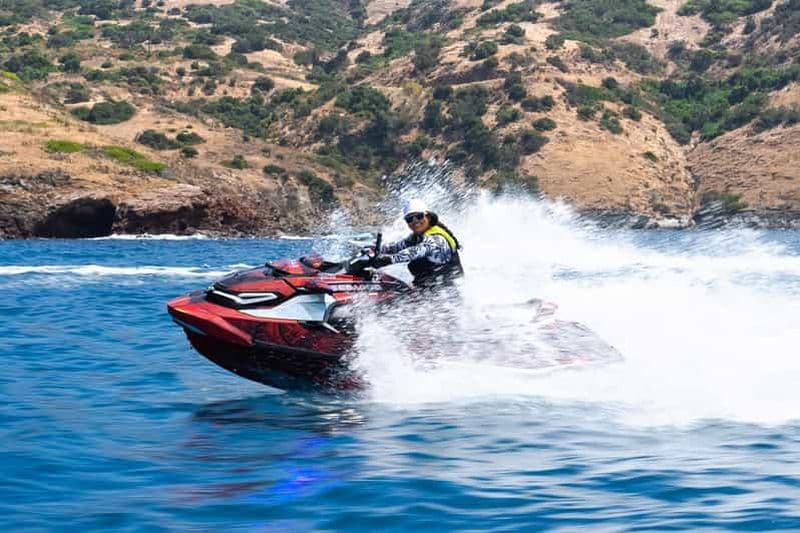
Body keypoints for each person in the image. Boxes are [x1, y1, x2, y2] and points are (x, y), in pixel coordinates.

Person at [372, 199, 463, 288]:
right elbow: (396, 247)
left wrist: (387, 260)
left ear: (428, 217)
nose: (415, 221)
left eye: (419, 216)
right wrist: (373, 249)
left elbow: (416, 251)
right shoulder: (417, 236)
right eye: (409, 219)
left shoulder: (437, 239)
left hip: (446, 295)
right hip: (428, 290)